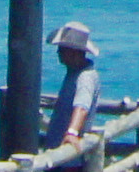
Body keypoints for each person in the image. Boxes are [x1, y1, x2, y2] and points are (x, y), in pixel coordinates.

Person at [40, 22, 103, 150]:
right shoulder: (74, 72)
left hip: (69, 159)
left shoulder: (85, 77)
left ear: (75, 52)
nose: (58, 52)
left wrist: (72, 133)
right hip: (58, 151)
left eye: (63, 49)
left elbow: (82, 107)